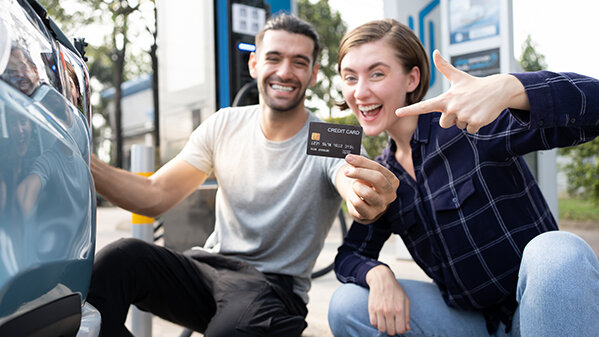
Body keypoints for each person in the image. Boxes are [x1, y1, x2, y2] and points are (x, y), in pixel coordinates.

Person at [87, 14, 398, 337]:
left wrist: (364, 197)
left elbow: (352, 183)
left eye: (299, 62)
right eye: (274, 58)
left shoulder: (326, 136)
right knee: (117, 261)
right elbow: (153, 195)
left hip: (271, 289)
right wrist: (83, 160)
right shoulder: (225, 124)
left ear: (314, 74)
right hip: (207, 270)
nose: (284, 72)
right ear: (254, 64)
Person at [328, 19, 599, 337]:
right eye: (350, 77)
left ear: (412, 78)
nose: (360, 92)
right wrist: (375, 273)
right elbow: (349, 256)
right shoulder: (384, 177)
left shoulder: (469, 126)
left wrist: (511, 88)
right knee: (347, 304)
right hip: (469, 323)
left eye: (377, 73)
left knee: (559, 251)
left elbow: (593, 109)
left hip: (536, 315)